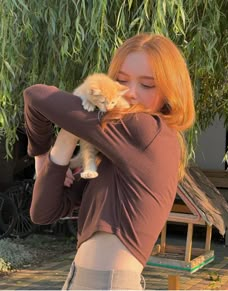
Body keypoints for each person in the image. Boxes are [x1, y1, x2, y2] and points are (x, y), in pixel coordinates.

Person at [23, 33, 195, 290]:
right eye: (121, 81)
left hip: (108, 284)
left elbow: (35, 95)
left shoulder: (148, 131)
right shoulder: (108, 158)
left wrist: (40, 152)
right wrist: (64, 142)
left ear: (170, 93)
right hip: (78, 279)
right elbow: (42, 212)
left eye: (148, 85)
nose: (131, 93)